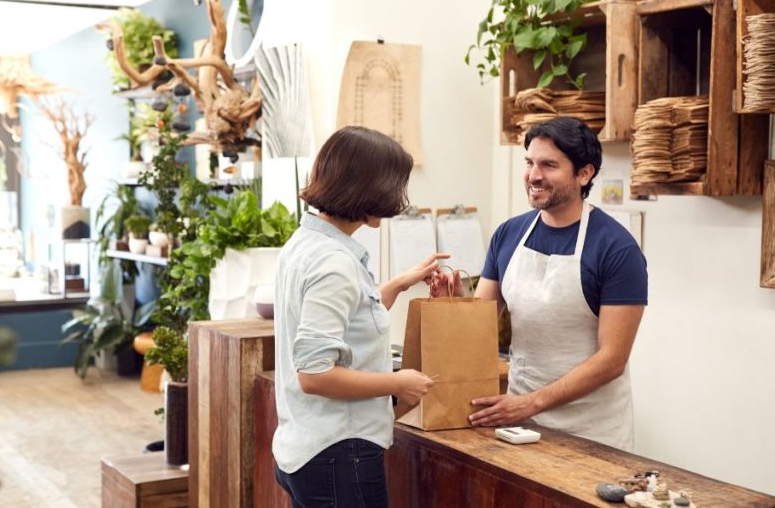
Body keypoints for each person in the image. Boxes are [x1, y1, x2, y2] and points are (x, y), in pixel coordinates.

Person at [272, 126, 454, 507]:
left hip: (307, 446)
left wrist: (400, 283)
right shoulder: (334, 263)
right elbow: (316, 376)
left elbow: (349, 319)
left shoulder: (307, 243)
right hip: (338, 451)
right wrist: (396, 383)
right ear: (369, 189)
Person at [465, 117, 648, 451]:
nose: (534, 176)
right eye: (530, 163)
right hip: (516, 424)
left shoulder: (617, 249)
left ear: (584, 174)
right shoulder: (508, 235)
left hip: (591, 434)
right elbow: (477, 323)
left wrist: (532, 402)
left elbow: (612, 359)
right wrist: (446, 302)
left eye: (549, 165)